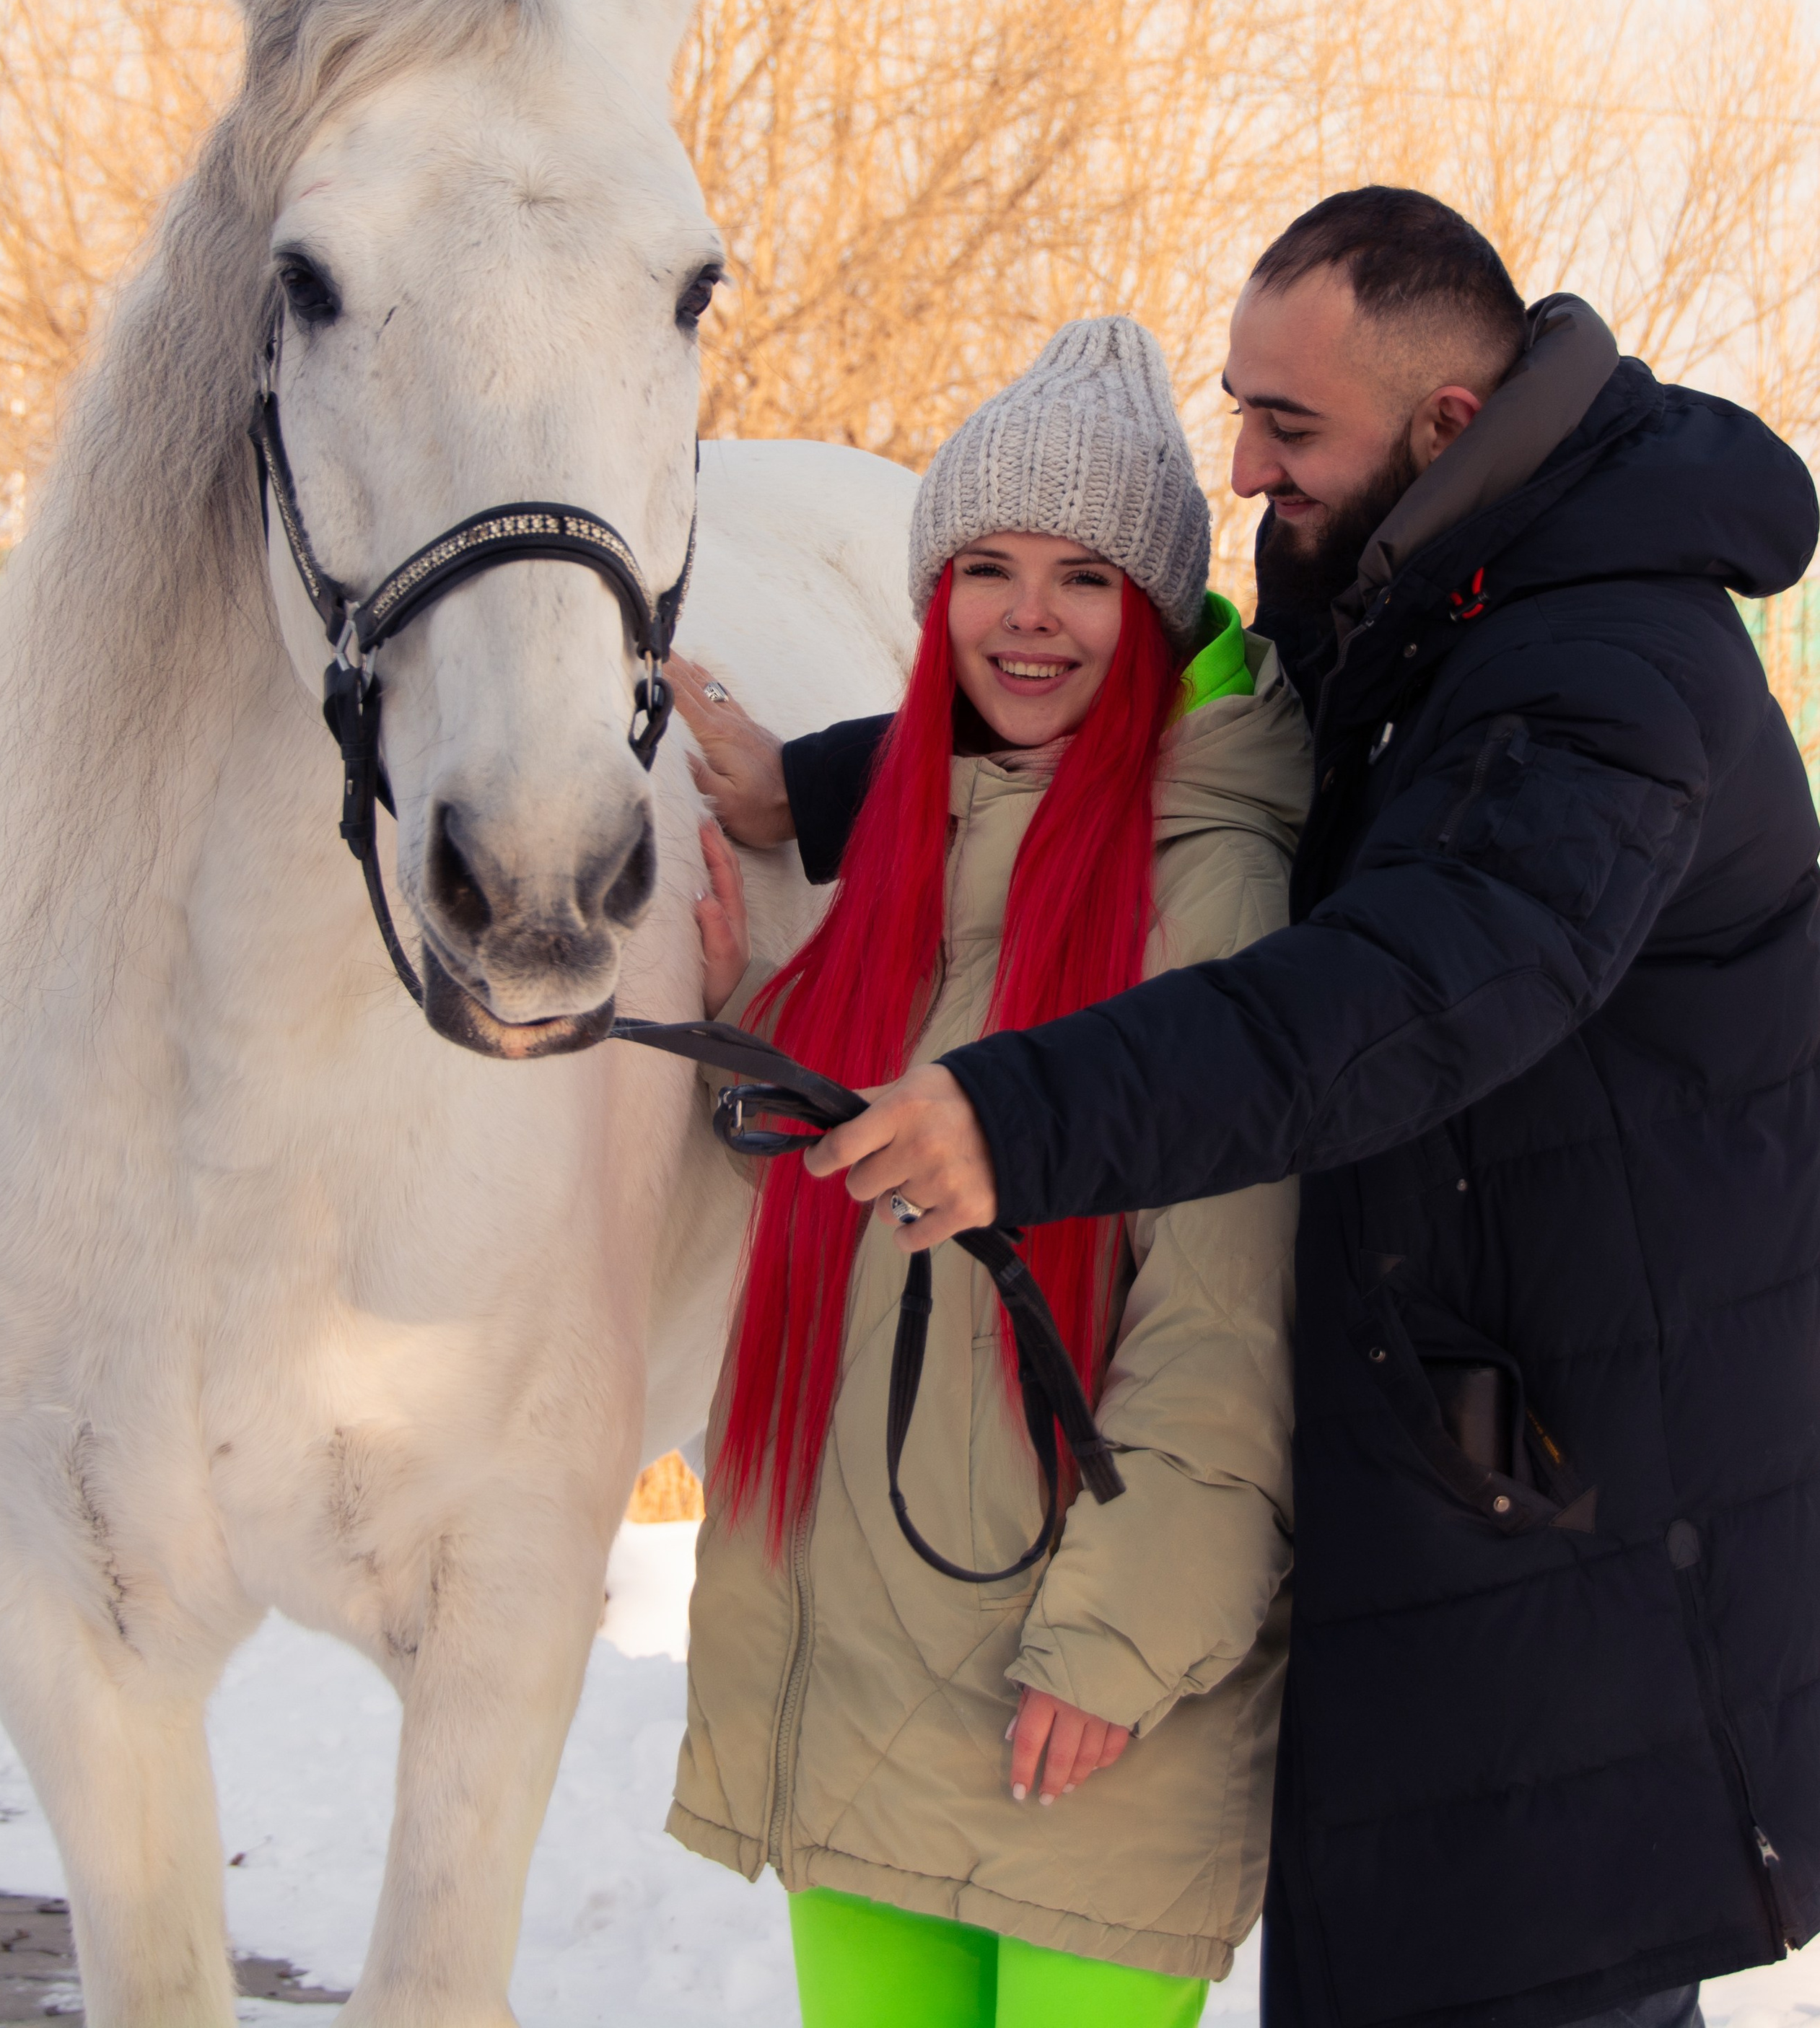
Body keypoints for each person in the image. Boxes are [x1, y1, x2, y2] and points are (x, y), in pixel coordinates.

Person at [678, 190, 1820, 2028]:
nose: (1246, 464)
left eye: (1286, 427)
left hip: (1600, 1513)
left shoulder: (1609, 670)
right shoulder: (1428, 590)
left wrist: (1021, 1110)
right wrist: (830, 790)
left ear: (1440, 426)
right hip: (1465, 1466)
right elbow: (1145, 705)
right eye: (1241, 408)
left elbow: (1410, 984)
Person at [667, 317, 1314, 2028]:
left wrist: (1117, 1649)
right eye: (987, 569)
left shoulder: (1208, 887)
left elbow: (1223, 1319)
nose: (1027, 619)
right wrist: (745, 1024)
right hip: (863, 1644)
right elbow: (877, 1226)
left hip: (1082, 1684)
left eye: (1085, 578)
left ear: (1159, 613)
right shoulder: (914, 850)